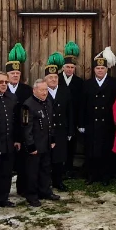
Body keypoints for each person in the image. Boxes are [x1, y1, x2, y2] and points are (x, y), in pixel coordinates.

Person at [81, 47, 116, 184]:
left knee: (106, 150)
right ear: (94, 70)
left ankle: (105, 176)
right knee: (91, 150)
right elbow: (82, 105)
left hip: (107, 123)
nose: (100, 70)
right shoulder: (87, 84)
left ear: (107, 69)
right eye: (97, 68)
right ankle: (91, 175)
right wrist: (81, 124)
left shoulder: (115, 83)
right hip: (91, 122)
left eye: (102, 68)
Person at [20, 81, 57, 206]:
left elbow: (50, 123)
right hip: (35, 146)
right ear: (34, 90)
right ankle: (32, 195)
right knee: (32, 172)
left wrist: (52, 139)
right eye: (42, 90)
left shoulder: (48, 102)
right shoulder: (27, 105)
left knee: (46, 169)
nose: (45, 92)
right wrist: (31, 146)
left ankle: (45, 191)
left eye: (46, 90)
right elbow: (26, 128)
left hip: (46, 144)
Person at [4, 44, 32, 195]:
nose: (15, 75)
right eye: (12, 73)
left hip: (22, 131)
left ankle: (22, 189)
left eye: (17, 73)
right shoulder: (3, 90)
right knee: (7, 165)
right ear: (7, 75)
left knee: (23, 164)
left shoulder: (26, 90)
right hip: (7, 133)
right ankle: (4, 192)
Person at [0, 71, 19, 209]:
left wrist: (17, 139)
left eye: (6, 82)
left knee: (7, 172)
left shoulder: (11, 98)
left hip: (10, 141)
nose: (3, 85)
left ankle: (3, 198)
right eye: (0, 82)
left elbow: (16, 120)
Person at [45, 53, 75, 191]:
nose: (53, 79)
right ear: (45, 79)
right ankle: (46, 182)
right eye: (50, 77)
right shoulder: (41, 91)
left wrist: (70, 131)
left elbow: (70, 111)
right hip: (45, 131)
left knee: (59, 157)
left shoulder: (64, 91)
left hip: (61, 130)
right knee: (47, 158)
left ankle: (58, 181)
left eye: (55, 77)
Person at [61, 41, 86, 177]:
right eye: (67, 67)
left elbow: (81, 103)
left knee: (72, 145)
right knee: (60, 145)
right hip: (60, 118)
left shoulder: (79, 82)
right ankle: (60, 169)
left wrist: (80, 123)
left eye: (72, 67)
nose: (70, 69)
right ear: (63, 67)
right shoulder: (57, 79)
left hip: (73, 118)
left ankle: (69, 169)